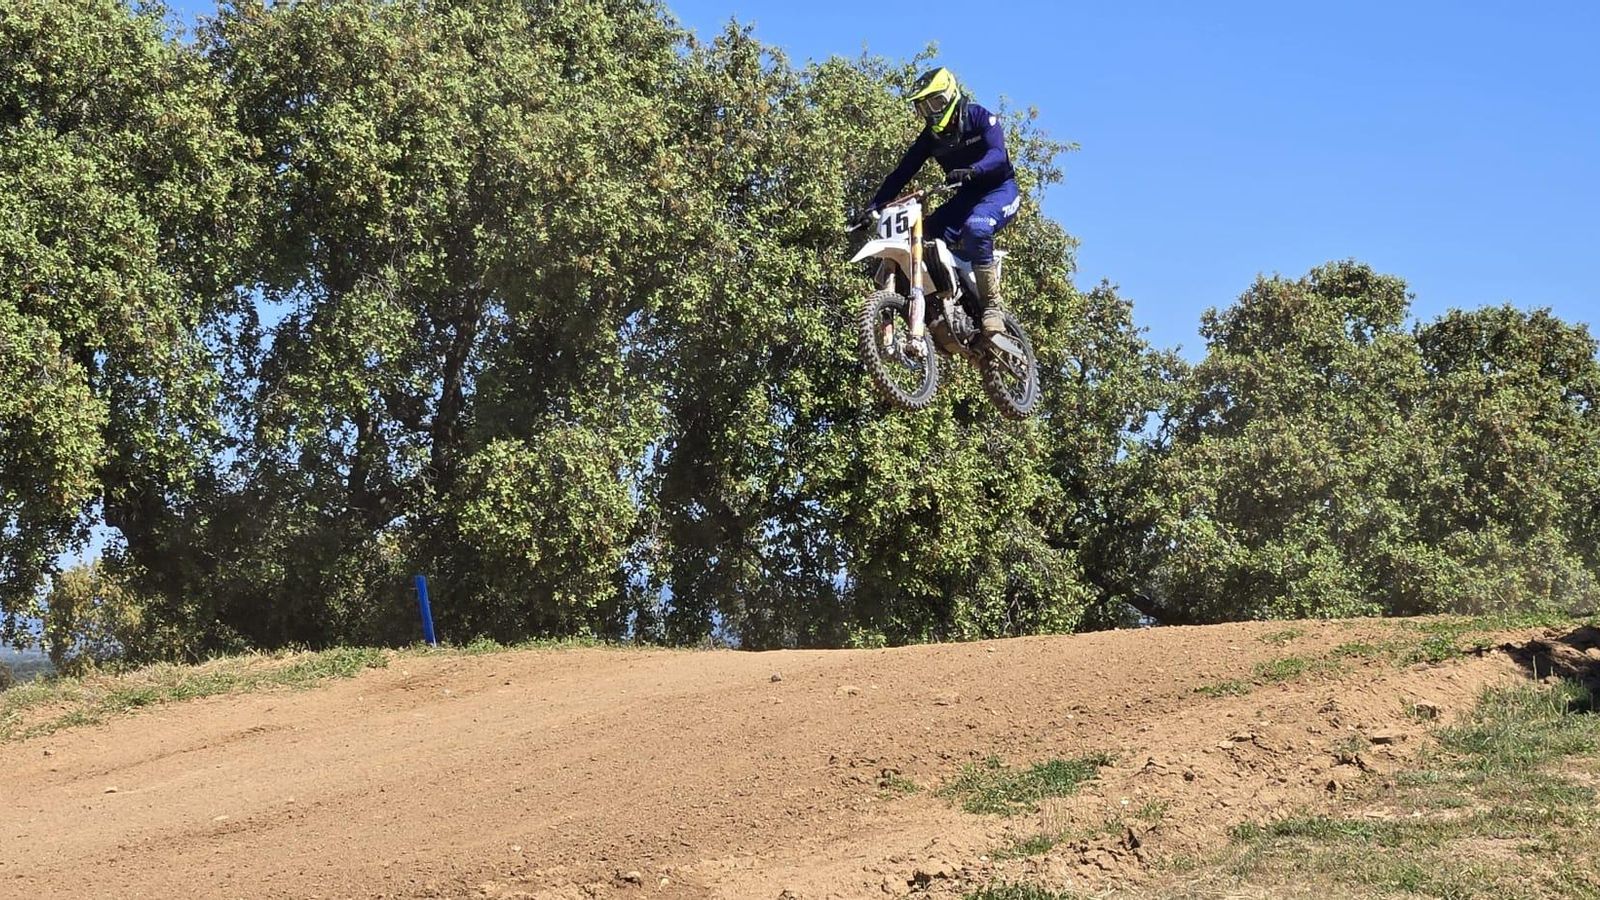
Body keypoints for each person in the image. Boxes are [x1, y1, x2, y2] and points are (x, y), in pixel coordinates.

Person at [867, 67, 1021, 337]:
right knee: (919, 238)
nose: (931, 112)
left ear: (950, 95)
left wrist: (974, 169)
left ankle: (992, 307)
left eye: (935, 103)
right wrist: (872, 207)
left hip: (999, 191)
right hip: (966, 198)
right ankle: (940, 306)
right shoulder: (930, 138)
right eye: (923, 107)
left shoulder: (979, 117)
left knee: (976, 228)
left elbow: (998, 154)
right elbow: (902, 172)